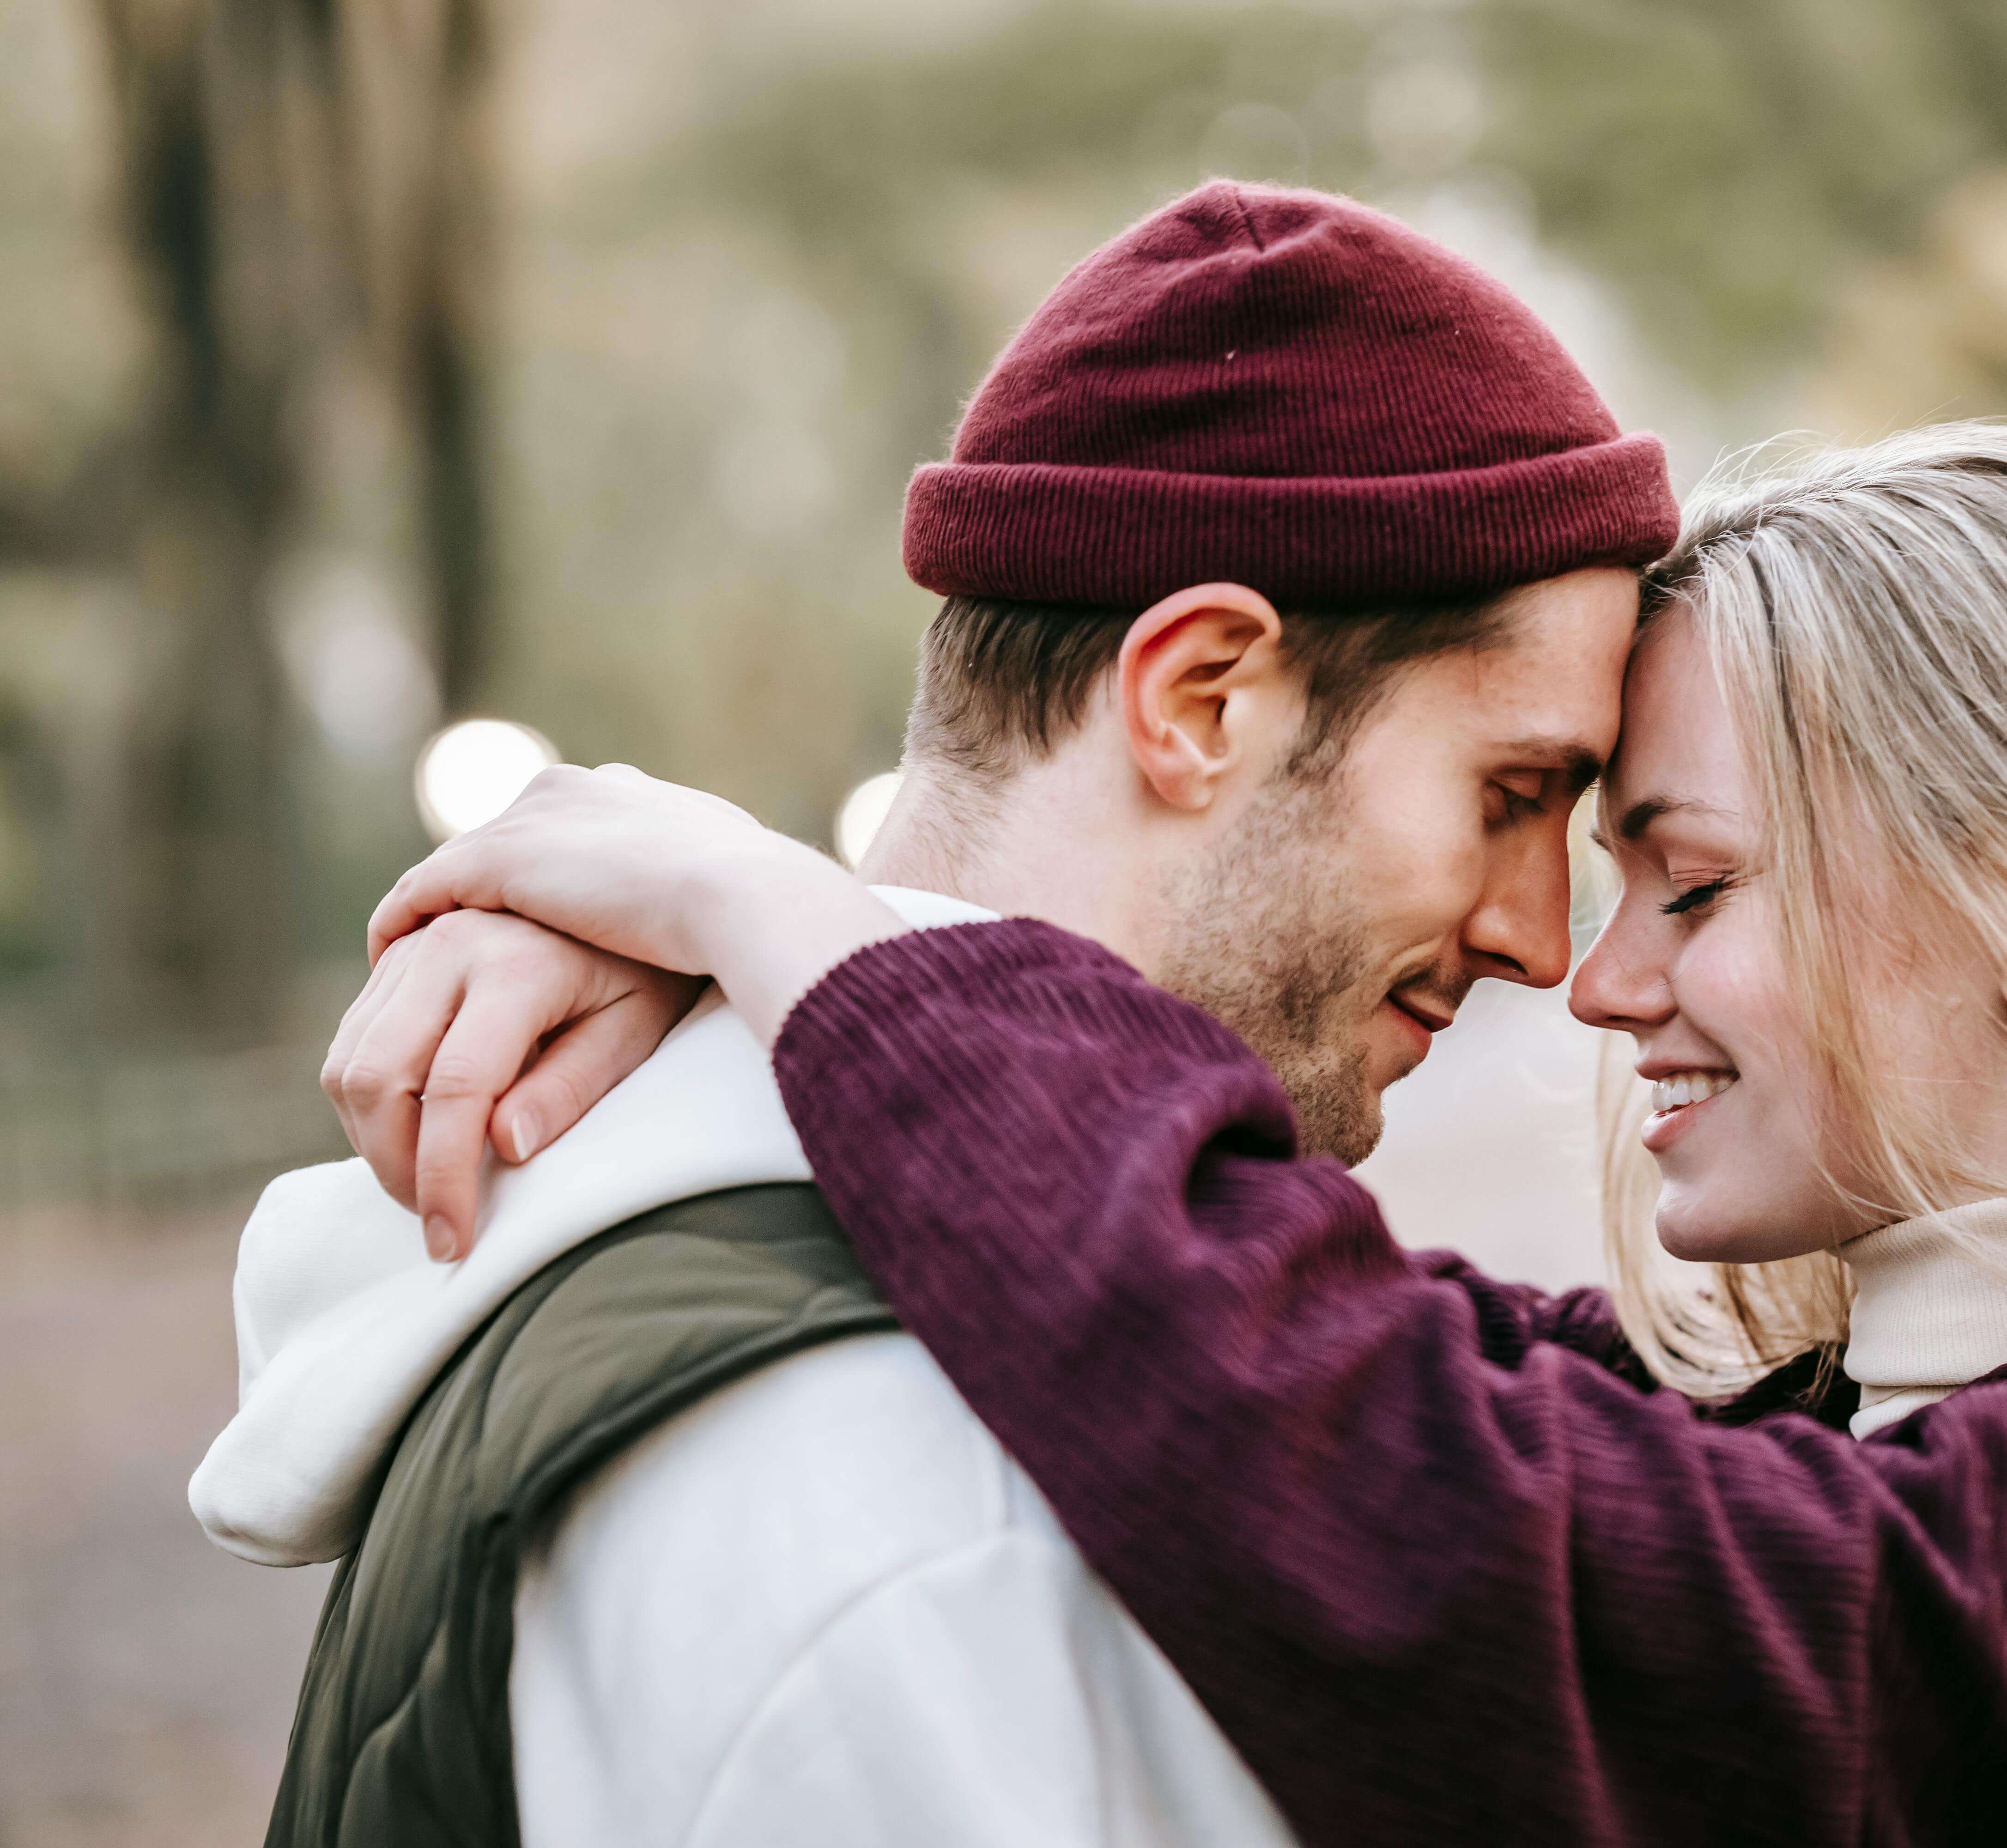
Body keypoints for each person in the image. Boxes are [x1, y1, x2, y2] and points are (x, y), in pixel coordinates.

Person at [349, 424, 2007, 1847]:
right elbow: (1295, 1336)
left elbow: (1373, 1471)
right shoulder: (1886, 1455)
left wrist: (792, 920)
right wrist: (752, 975)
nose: (1596, 971)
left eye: (1694, 878)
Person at [188, 179, 1674, 1847]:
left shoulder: (812, 1304)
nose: (1547, 942)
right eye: (1512, 790)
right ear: (1201, 701)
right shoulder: (935, 1485)